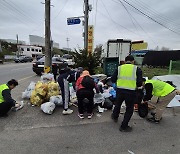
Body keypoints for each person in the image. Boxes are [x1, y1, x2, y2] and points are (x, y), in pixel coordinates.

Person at [111, 55, 143, 132]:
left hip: (120, 90)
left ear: (125, 61)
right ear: (133, 61)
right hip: (131, 92)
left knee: (117, 104)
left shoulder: (119, 68)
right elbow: (139, 83)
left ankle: (115, 116)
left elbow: (113, 79)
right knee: (129, 109)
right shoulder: (137, 69)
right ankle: (123, 127)